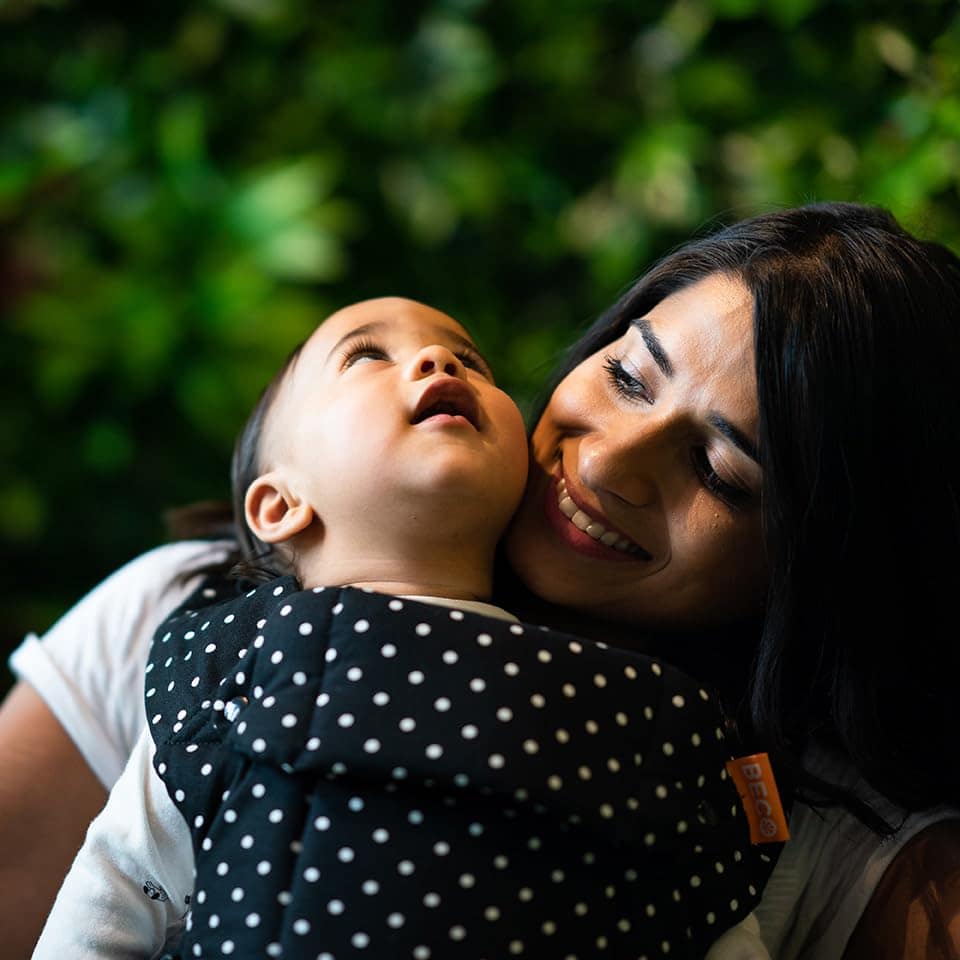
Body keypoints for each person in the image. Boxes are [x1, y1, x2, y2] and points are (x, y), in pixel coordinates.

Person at [4, 202, 959, 958]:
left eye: (718, 473)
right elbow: (107, 891)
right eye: (629, 377)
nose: (608, 463)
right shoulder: (194, 619)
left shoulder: (775, 818)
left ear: (821, 573)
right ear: (279, 504)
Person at [31, 296, 770, 959]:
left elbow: (715, 918)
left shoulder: (654, 715)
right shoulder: (232, 657)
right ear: (280, 504)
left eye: (471, 360)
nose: (439, 358)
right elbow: (119, 885)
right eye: (365, 356)